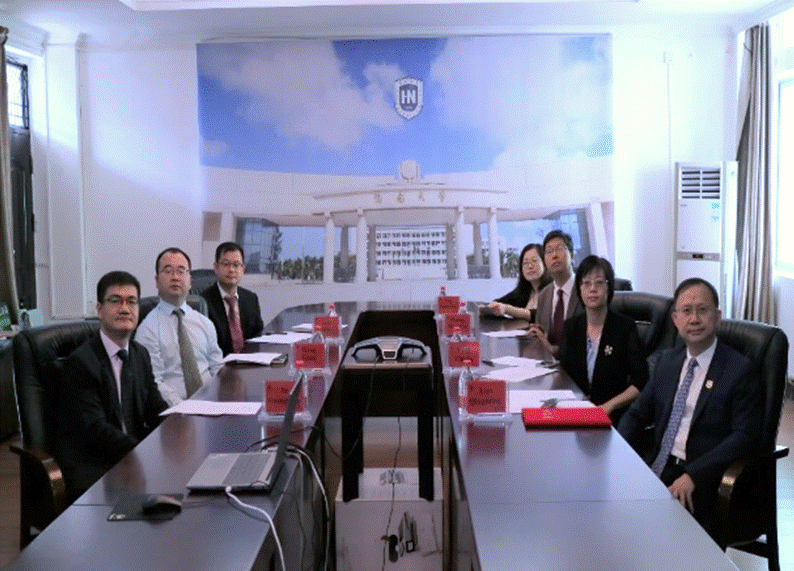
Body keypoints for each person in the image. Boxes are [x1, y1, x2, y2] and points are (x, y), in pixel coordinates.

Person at [618, 278, 762, 534]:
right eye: (686, 311)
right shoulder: (667, 362)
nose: (694, 319)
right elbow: (637, 414)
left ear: (717, 317)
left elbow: (744, 436)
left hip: (705, 479)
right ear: (675, 319)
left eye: (702, 310)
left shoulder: (739, 370)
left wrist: (694, 475)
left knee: (645, 528)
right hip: (660, 466)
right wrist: (619, 454)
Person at [56, 271, 168, 500]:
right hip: (97, 463)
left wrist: (175, 428)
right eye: (116, 301)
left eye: (132, 301)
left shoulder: (139, 354)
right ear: (99, 309)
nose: (125, 309)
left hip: (132, 457)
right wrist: (143, 453)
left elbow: (155, 406)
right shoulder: (81, 363)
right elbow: (95, 429)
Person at [557, 255, 648, 424]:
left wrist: (609, 406)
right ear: (579, 289)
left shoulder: (625, 328)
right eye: (586, 283)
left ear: (609, 288)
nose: (592, 289)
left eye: (599, 283)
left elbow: (640, 382)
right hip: (576, 413)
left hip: (613, 415)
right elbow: (563, 375)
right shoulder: (571, 327)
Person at [136, 247, 223, 405]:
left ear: (190, 280)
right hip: (173, 411)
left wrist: (219, 400)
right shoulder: (147, 330)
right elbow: (154, 382)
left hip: (211, 405)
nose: (175, 277)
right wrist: (185, 409)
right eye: (168, 271)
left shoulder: (205, 323)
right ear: (157, 281)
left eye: (181, 271)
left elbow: (217, 369)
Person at [201, 242, 264, 356]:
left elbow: (258, 336)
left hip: (249, 362)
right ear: (216, 267)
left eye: (236, 265)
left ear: (243, 269)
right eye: (226, 264)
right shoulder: (203, 303)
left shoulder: (251, 299)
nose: (231, 270)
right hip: (219, 364)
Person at [528, 230, 583, 353]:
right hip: (547, 362)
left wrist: (552, 350)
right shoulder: (544, 294)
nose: (554, 255)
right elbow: (541, 336)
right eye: (549, 251)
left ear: (572, 255)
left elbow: (587, 343)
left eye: (559, 249)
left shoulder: (584, 290)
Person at [487, 243, 552, 321]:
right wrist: (490, 307)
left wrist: (507, 309)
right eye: (525, 263)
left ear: (545, 264)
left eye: (534, 261)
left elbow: (538, 315)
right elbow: (499, 302)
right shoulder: (524, 290)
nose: (530, 266)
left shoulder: (553, 290)